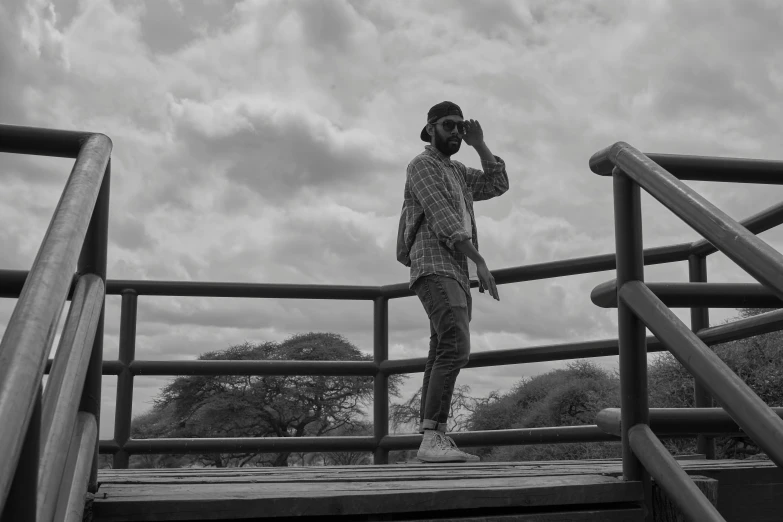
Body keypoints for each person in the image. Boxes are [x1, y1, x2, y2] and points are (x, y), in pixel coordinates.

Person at [399, 101, 509, 462]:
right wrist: (480, 261)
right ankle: (433, 438)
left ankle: (431, 438)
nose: (456, 133)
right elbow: (445, 219)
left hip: (454, 269)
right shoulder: (422, 165)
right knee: (456, 346)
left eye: (461, 127)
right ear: (430, 128)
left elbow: (497, 184)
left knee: (443, 349)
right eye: (449, 126)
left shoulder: (458, 171)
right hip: (435, 265)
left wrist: (479, 144)